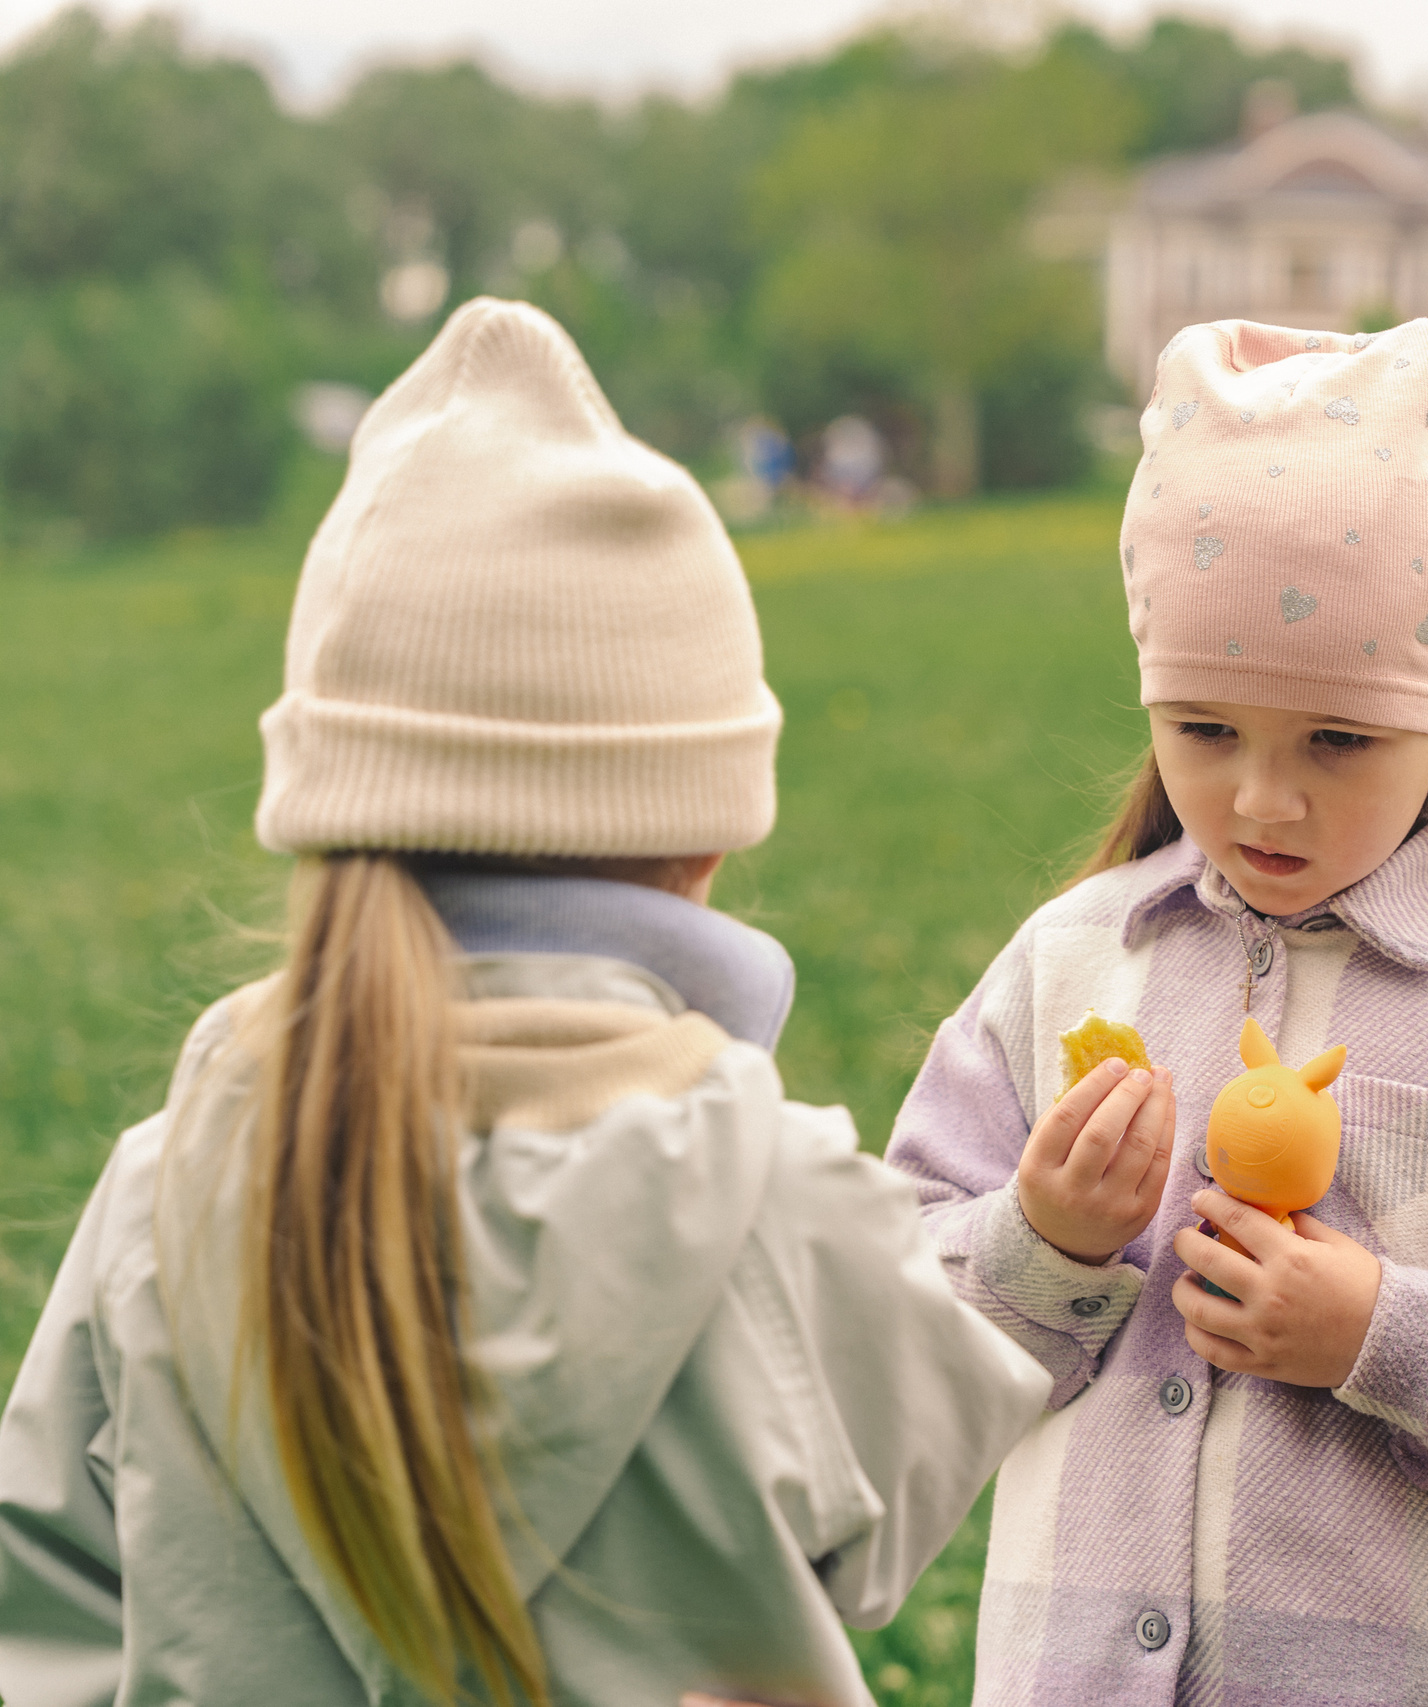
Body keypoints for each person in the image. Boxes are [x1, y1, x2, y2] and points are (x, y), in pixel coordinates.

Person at [0, 299, 1049, 1707]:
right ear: (701, 835)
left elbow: (49, 1603)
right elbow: (893, 1505)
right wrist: (1057, 1251)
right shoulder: (769, 1193)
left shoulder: (167, 1189)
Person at [884, 317, 1428, 1706]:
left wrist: (1381, 1335)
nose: (1261, 800)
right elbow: (894, 1313)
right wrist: (1042, 1241)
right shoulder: (1069, 964)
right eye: (1206, 731)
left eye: (1337, 741)